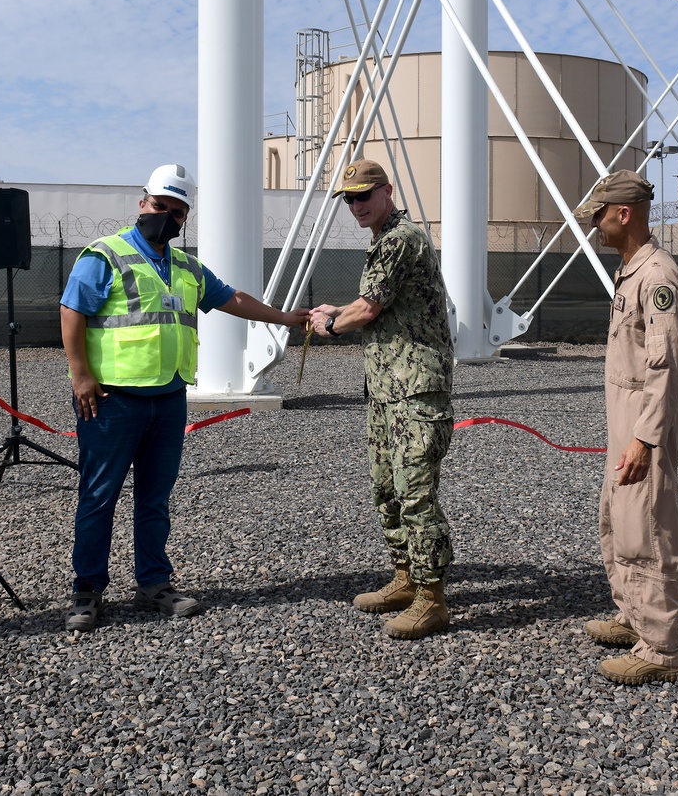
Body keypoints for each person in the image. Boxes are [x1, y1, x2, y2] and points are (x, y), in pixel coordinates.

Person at [59, 164, 308, 632]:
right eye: (160, 207)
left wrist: (286, 318)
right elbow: (72, 311)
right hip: (112, 400)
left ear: (185, 218)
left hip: (169, 397)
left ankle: (154, 582)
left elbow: (232, 299)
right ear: (142, 202)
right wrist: (80, 376)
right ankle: (86, 590)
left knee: (155, 498)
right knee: (99, 496)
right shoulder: (104, 256)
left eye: (177, 212)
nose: (167, 218)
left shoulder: (186, 267)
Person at [309, 159, 455, 640]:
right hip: (387, 389)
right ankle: (405, 578)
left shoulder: (401, 240)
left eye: (363, 195)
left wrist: (330, 323)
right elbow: (376, 307)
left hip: (416, 389)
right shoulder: (382, 243)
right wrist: (337, 310)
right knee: (386, 490)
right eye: (349, 199)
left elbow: (368, 308)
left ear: (386, 191)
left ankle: (431, 597)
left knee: (415, 492)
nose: (356, 205)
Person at [574, 170, 678, 684]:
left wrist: (644, 438)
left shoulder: (657, 276)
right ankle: (633, 616)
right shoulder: (631, 271)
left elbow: (667, 368)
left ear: (624, 214)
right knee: (617, 520)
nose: (595, 224)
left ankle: (661, 651)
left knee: (647, 529)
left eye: (599, 214)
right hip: (626, 423)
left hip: (646, 426)